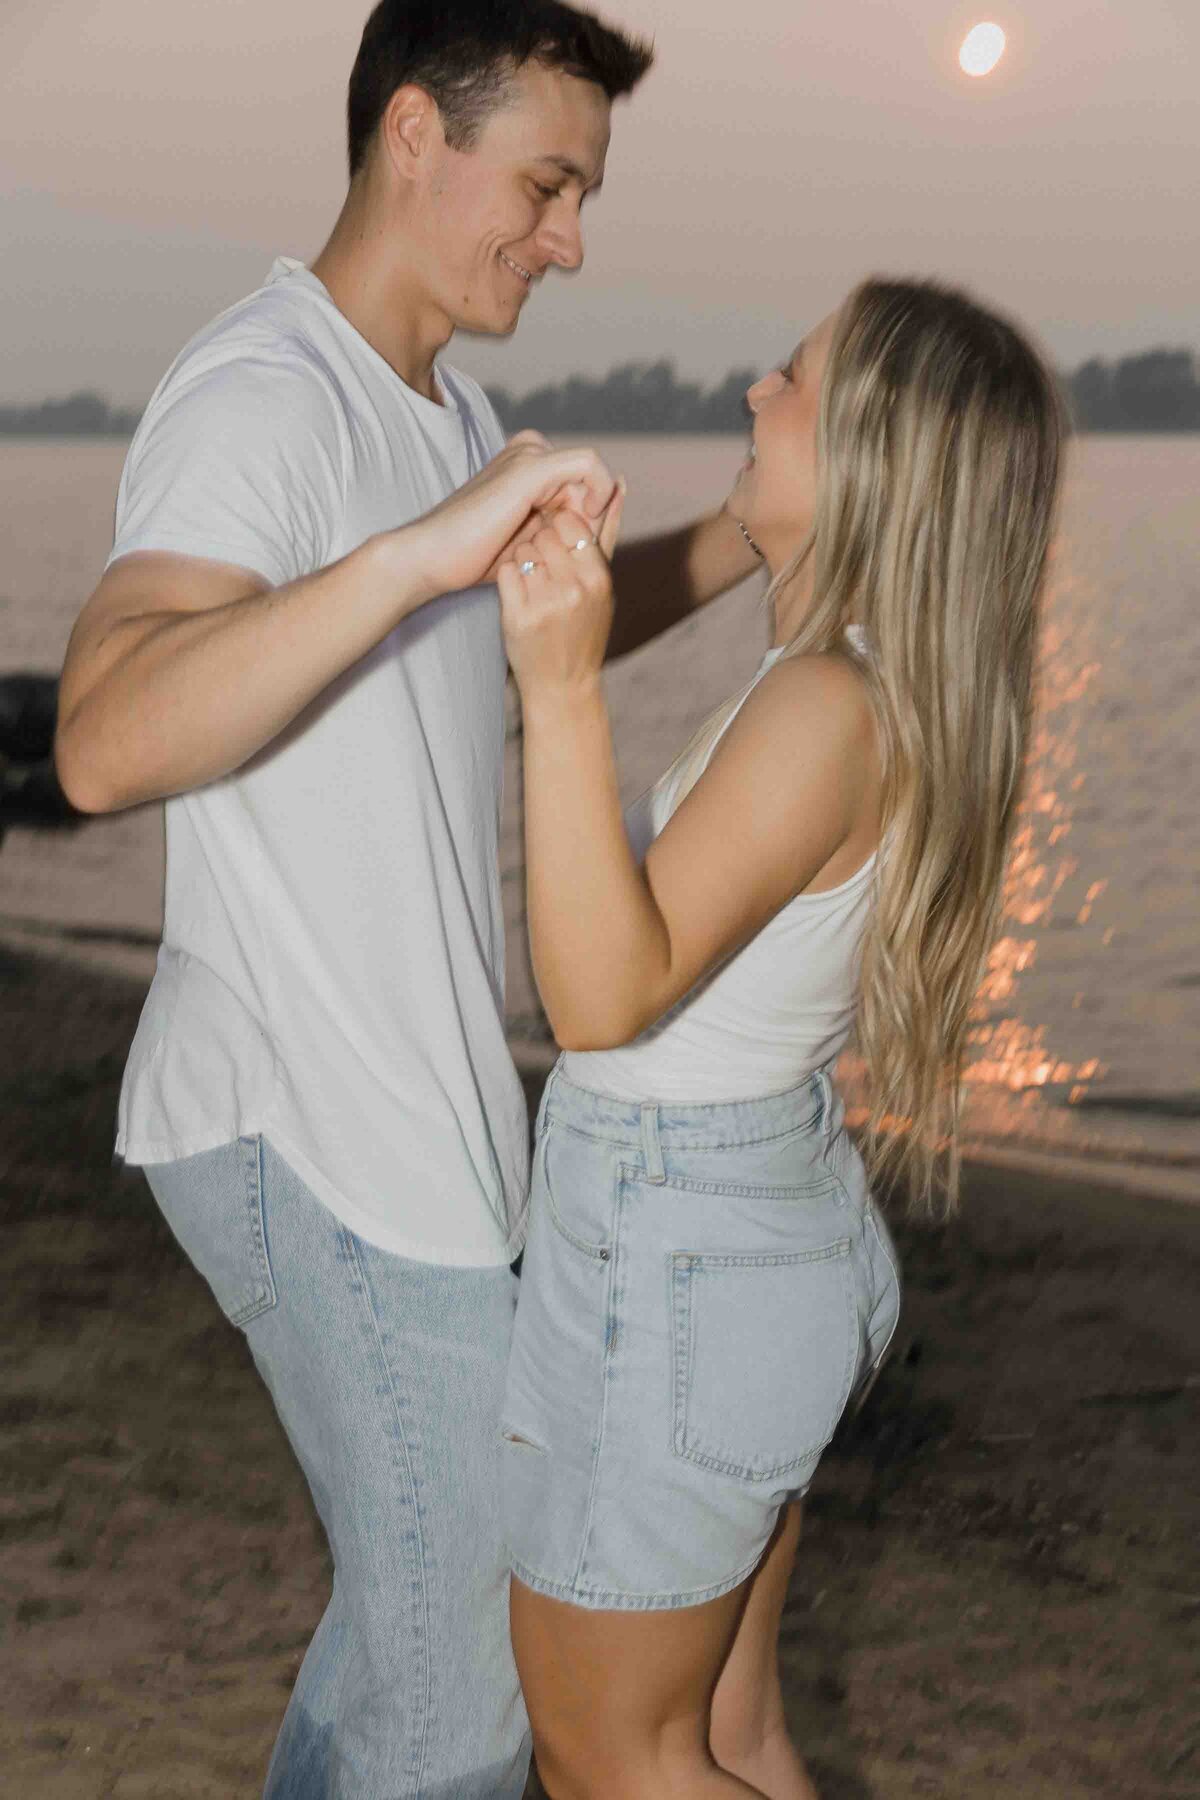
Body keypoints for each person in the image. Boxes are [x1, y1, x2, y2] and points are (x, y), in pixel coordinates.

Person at [46, 2, 774, 1793]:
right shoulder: (264, 393)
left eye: (583, 193)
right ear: (409, 136)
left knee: (411, 1640)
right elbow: (101, 736)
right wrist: (410, 559)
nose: (571, 237)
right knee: (464, 1695)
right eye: (544, 182)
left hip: (428, 1129)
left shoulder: (447, 415)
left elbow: (527, 620)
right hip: (315, 1132)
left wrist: (762, 533)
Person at [495, 276, 1066, 1798]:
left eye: (795, 385)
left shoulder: (825, 703)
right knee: (723, 1740)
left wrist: (563, 689)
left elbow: (605, 997)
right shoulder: (869, 685)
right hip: (735, 1226)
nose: (753, 393)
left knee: (608, 1751)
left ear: (878, 462)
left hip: (682, 1241)